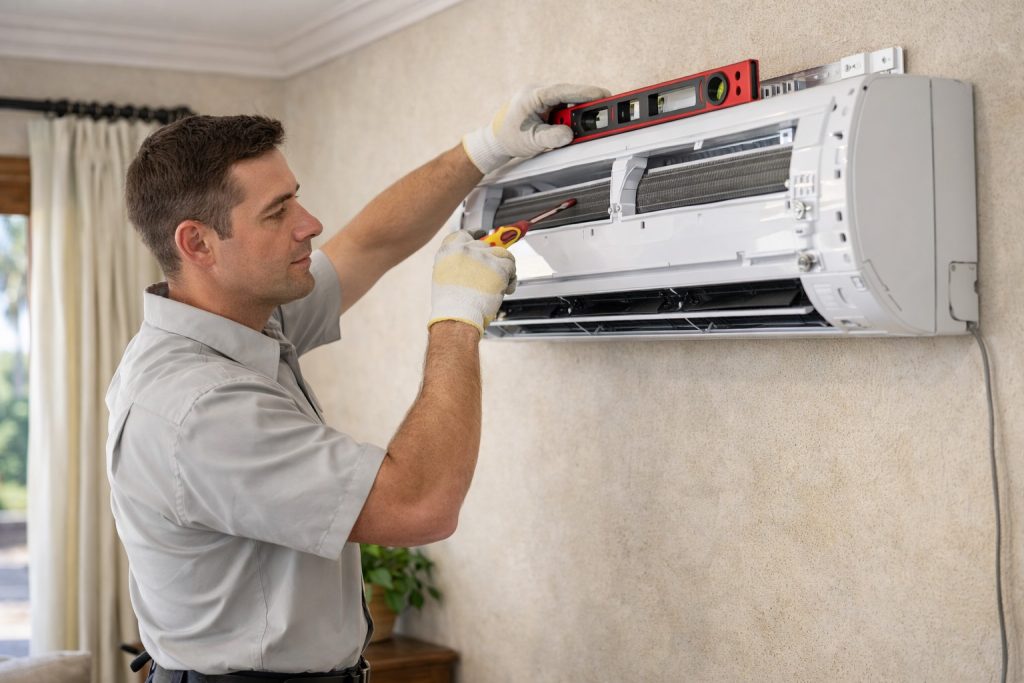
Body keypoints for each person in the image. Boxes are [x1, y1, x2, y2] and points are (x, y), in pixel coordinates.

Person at [105, 82, 608, 682]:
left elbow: (371, 242)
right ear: (199, 243)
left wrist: (483, 147)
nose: (309, 223)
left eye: (296, 198)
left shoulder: (243, 316)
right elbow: (421, 505)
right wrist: (456, 317)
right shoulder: (199, 409)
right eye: (277, 212)